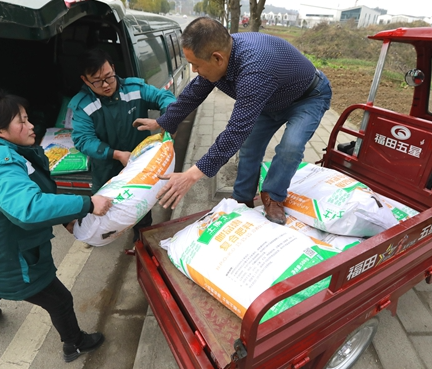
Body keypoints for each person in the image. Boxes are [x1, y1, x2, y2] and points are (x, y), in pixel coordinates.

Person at [0, 90, 113, 363]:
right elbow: (29, 209)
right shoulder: (1, 165)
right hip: (10, 259)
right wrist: (88, 204)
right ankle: (75, 344)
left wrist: (65, 217)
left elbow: (25, 201)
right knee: (59, 300)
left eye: (27, 118)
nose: (31, 125)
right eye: (21, 121)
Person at [133, 17, 332, 225]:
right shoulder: (223, 53)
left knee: (290, 147)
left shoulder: (254, 70)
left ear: (217, 59)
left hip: (308, 97)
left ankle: (274, 196)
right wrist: (162, 122)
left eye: (195, 65)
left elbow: (235, 131)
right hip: (269, 98)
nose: (194, 71)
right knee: (249, 147)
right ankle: (242, 199)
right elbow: (193, 93)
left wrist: (191, 175)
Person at [67, 48, 177, 242]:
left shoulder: (134, 89)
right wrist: (116, 154)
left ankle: (141, 242)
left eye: (109, 76)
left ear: (114, 69)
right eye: (97, 81)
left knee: (140, 208)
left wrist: (168, 118)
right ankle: (96, 237)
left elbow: (164, 97)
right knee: (101, 210)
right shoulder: (82, 105)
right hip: (106, 167)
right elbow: (83, 140)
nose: (106, 84)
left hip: (138, 166)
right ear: (85, 80)